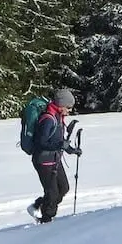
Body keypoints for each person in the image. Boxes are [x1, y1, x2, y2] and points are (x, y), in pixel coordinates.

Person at [27, 88, 81, 223]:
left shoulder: (58, 117)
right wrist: (59, 146)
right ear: (61, 104)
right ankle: (46, 221)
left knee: (64, 188)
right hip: (43, 161)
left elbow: (59, 140)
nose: (69, 110)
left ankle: (38, 205)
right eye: (68, 107)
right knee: (53, 193)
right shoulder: (48, 119)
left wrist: (72, 150)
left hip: (55, 159)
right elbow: (41, 142)